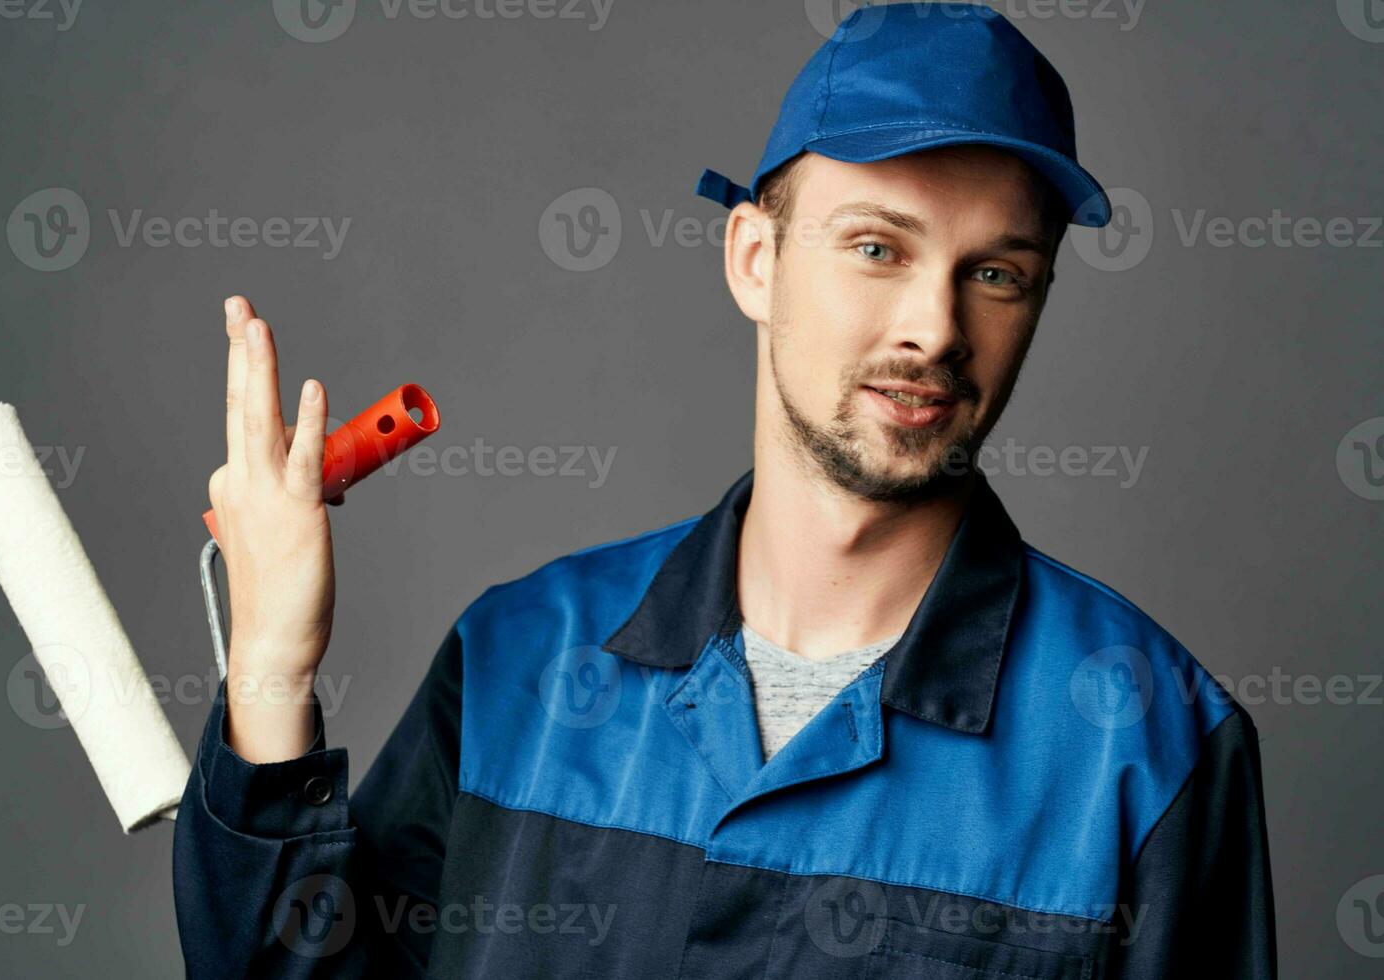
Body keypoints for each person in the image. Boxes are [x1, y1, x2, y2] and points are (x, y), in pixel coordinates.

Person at [173, 5, 1276, 977]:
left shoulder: (1144, 744)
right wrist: (272, 669)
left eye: (995, 273)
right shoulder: (520, 664)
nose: (935, 329)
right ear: (755, 257)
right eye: (878, 248)